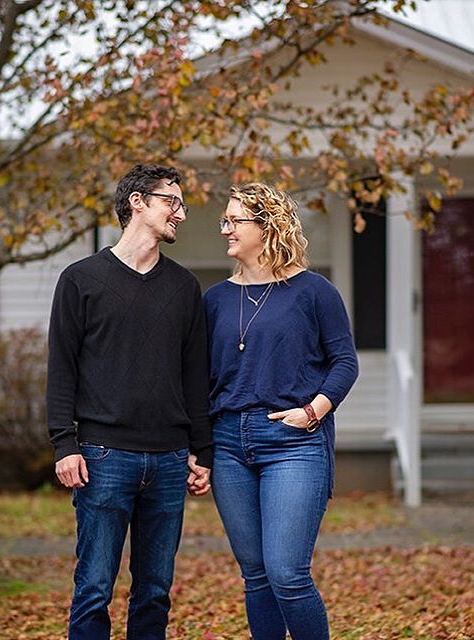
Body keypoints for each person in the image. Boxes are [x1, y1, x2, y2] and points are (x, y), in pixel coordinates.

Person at [46, 163, 213, 640]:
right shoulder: (81, 280)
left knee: (155, 591)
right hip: (102, 457)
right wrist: (64, 444)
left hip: (168, 460)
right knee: (94, 588)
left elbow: (194, 376)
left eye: (181, 204)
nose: (180, 213)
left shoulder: (184, 288)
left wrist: (202, 451)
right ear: (137, 202)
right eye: (171, 201)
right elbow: (62, 368)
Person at [203, 182, 358, 640]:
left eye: (234, 221)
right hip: (229, 445)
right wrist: (200, 447)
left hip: (294, 443)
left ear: (266, 225)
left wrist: (314, 411)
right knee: (256, 575)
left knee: (287, 573)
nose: (225, 230)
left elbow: (344, 362)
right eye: (224, 221)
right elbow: (199, 379)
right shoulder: (212, 300)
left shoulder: (313, 291)